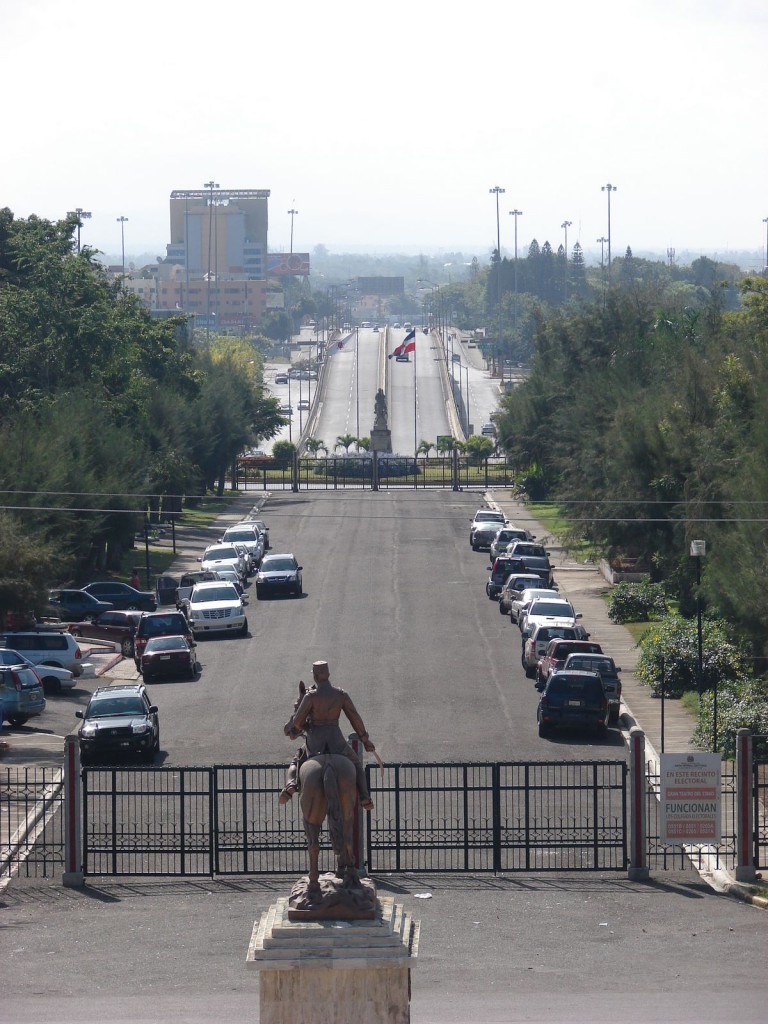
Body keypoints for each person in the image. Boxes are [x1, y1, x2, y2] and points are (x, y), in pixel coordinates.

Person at [281, 660, 376, 811]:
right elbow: (354, 718)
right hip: (336, 741)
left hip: (315, 741)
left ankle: (290, 785)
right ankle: (365, 797)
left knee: (297, 759)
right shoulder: (341, 694)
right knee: (356, 764)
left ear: (315, 676)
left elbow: (297, 722)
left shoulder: (310, 696)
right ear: (328, 674)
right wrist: (365, 740)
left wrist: (306, 726)